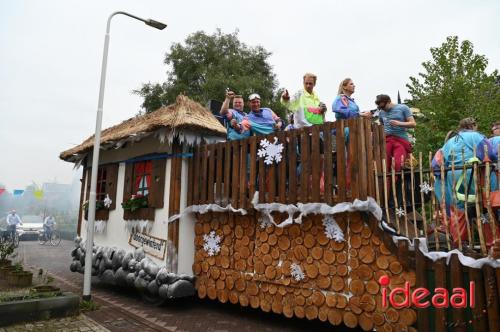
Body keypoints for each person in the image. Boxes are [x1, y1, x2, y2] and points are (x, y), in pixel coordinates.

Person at [432, 117, 498, 246]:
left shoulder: (449, 141)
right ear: (473, 125)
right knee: (484, 207)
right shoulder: (476, 136)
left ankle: (460, 244)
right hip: (472, 172)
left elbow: (437, 163)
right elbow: (489, 154)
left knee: (459, 210)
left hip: (453, 175)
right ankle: (493, 243)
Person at [375, 94, 416, 173]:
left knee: (398, 163)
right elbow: (382, 126)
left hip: (400, 139)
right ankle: (388, 184)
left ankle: (398, 183)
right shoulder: (381, 113)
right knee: (385, 165)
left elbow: (413, 124)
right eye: (380, 108)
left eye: (383, 107)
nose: (383, 109)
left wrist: (399, 123)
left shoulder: (403, 108)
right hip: (387, 140)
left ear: (389, 101)